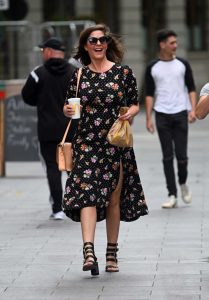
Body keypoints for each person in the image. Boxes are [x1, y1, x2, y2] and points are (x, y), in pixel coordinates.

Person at [63, 23, 148, 275]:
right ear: (85, 47)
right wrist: (67, 109)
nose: (98, 44)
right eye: (93, 41)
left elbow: (134, 105)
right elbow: (68, 107)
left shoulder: (123, 73)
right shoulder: (78, 76)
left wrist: (129, 113)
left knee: (113, 199)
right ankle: (88, 250)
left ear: (108, 44)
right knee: (87, 193)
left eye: (102, 40)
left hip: (114, 143)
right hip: (86, 142)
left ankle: (112, 252)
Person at [22, 37, 77, 220]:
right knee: (72, 168)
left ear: (47, 51)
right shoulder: (74, 72)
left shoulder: (38, 73)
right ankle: (78, 205)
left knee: (52, 168)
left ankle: (57, 209)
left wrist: (41, 100)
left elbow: (27, 97)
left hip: (47, 130)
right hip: (71, 129)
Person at [144, 29, 196, 209]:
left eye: (175, 42)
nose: (176, 45)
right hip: (162, 114)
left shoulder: (183, 64)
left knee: (182, 157)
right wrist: (149, 118)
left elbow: (191, 88)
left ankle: (182, 183)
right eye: (172, 42)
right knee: (167, 156)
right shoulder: (152, 67)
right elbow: (149, 94)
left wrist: (192, 110)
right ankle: (172, 194)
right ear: (162, 45)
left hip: (181, 113)